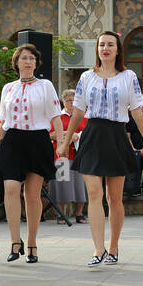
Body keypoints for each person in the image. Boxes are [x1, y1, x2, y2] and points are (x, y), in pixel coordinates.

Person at [58, 31, 143, 266]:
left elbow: (137, 112)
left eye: (110, 44)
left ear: (118, 49)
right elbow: (78, 111)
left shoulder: (128, 76)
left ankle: (113, 247)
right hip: (92, 134)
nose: (105, 48)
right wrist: (65, 141)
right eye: (102, 44)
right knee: (94, 193)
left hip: (116, 135)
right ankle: (97, 249)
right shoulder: (87, 77)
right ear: (97, 49)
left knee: (114, 198)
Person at [0, 44, 64, 264]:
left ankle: (32, 242)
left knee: (33, 194)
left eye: (32, 58)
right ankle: (15, 241)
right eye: (24, 58)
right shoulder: (8, 88)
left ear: (36, 63)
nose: (28, 61)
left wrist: (61, 144)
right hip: (13, 140)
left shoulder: (45, 86)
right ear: (16, 63)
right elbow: (3, 123)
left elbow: (56, 117)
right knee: (10, 188)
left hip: (38, 139)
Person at [48, 88, 88, 223]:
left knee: (80, 184)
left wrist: (77, 136)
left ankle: (79, 213)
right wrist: (66, 134)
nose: (71, 103)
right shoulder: (57, 117)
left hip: (79, 156)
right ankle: (61, 213)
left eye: (73, 100)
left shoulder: (83, 116)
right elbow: (49, 134)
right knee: (62, 184)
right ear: (63, 102)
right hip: (61, 155)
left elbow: (88, 134)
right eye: (68, 100)